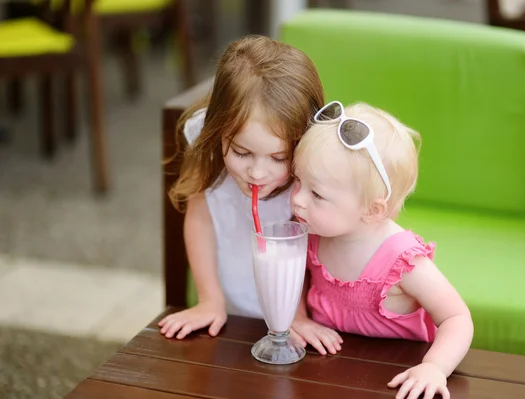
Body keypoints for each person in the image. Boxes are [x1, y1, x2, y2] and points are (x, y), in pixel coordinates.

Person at [158, 35, 342, 349]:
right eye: (242, 152)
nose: (257, 173)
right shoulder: (208, 149)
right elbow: (201, 221)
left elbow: (315, 245)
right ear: (217, 129)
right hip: (234, 312)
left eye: (279, 158)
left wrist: (295, 315)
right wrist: (209, 300)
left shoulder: (312, 165)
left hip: (297, 314)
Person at [291, 101, 474, 399]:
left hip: (393, 381)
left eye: (316, 194)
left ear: (373, 210)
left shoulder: (402, 262)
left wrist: (434, 368)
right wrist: (297, 318)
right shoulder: (315, 230)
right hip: (325, 376)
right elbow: (297, 278)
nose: (297, 199)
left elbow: (457, 318)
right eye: (297, 181)